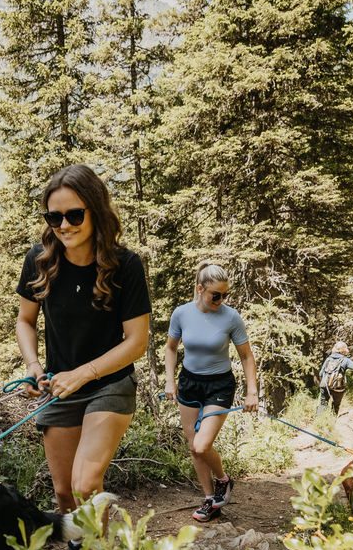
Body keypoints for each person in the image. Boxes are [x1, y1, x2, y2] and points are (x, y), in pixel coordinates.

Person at [15, 165, 152, 520]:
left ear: (95, 210)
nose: (64, 226)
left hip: (110, 384)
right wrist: (33, 367)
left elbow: (137, 342)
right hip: (60, 387)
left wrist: (85, 373)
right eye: (54, 217)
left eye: (74, 214)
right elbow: (25, 321)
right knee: (63, 492)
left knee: (85, 483)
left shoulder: (125, 265)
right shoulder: (39, 261)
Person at [162, 263, 260, 522]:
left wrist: (253, 392)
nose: (221, 300)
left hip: (219, 385)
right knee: (194, 449)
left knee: (202, 444)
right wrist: (169, 382)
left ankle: (223, 481)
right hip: (189, 382)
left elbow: (246, 356)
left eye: (224, 295)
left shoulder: (231, 317)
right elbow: (171, 348)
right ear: (200, 289)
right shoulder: (181, 314)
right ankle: (210, 501)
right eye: (215, 295)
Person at [317, 340, 353, 415]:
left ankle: (319, 423)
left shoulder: (328, 359)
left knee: (322, 404)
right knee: (336, 405)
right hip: (337, 387)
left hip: (324, 385)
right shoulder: (345, 360)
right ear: (344, 350)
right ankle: (332, 422)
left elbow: (321, 373)